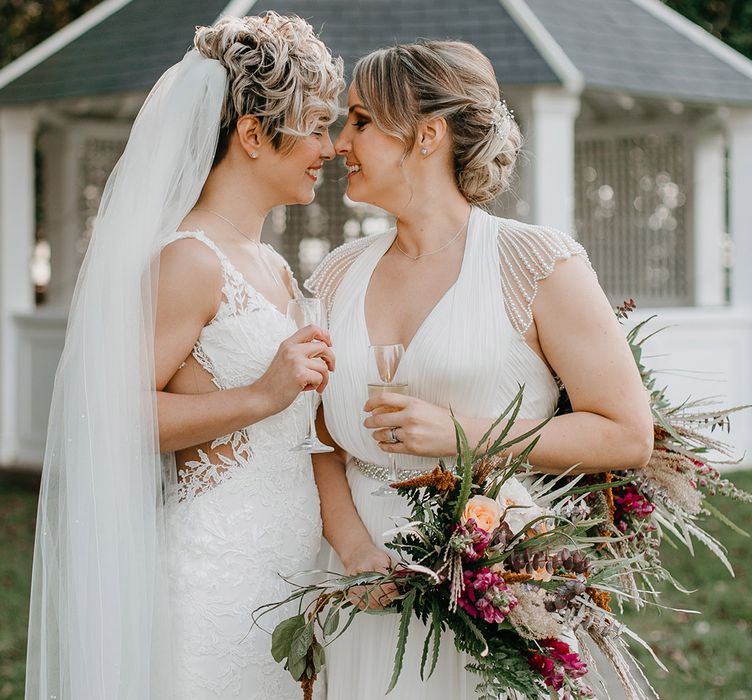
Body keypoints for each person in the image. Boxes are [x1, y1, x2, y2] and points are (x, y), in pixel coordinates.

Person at [306, 41, 653, 699]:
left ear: (427, 134)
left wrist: (464, 433)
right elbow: (316, 437)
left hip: (491, 575)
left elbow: (626, 433)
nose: (338, 141)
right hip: (360, 581)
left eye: (359, 120)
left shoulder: (536, 263)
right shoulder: (334, 275)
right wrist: (353, 551)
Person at [25, 13, 343, 700]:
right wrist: (262, 395)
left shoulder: (274, 267)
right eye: (316, 125)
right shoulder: (187, 262)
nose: (332, 146)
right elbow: (109, 421)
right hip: (218, 582)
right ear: (254, 134)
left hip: (290, 578)